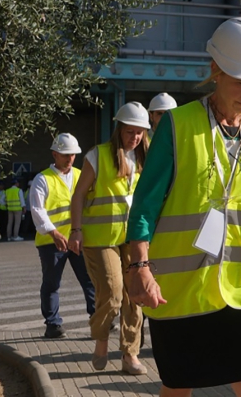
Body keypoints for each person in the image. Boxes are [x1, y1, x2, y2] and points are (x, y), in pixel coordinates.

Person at [127, 16, 241, 397]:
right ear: (216, 71)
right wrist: (138, 266)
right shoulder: (176, 126)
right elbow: (144, 205)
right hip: (181, 292)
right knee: (178, 387)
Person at [68, 102, 151, 375]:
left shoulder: (146, 157)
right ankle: (101, 340)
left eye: (139, 132)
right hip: (100, 238)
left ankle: (130, 354)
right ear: (119, 129)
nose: (135, 137)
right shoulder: (98, 155)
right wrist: (76, 231)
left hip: (134, 237)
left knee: (135, 296)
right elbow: (79, 195)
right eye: (130, 131)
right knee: (113, 294)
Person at [28, 133, 97, 339]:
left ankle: (98, 318)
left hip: (78, 239)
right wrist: (54, 233)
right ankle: (53, 325)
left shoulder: (80, 175)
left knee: (90, 280)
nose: (70, 159)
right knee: (52, 284)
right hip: (51, 242)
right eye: (66, 155)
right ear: (54, 154)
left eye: (73, 155)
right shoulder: (42, 179)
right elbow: (37, 210)